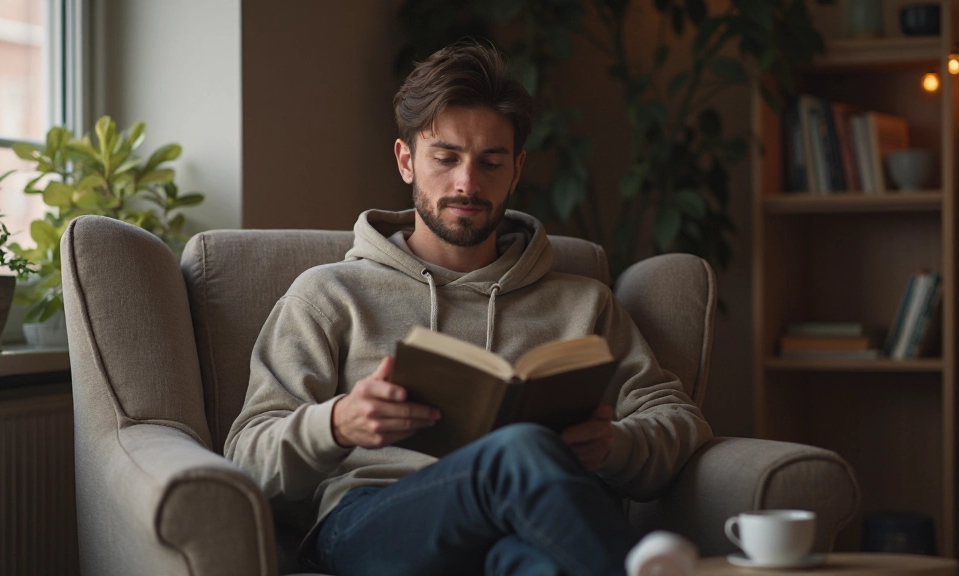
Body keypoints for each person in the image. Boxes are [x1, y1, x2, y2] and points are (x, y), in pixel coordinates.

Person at [224, 41, 712, 576]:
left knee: (533, 564)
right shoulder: (329, 294)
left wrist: (617, 445)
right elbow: (245, 456)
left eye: (490, 162)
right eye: (446, 158)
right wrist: (336, 423)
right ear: (407, 161)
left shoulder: (584, 303)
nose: (467, 183)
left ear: (517, 168)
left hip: (518, 530)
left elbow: (679, 419)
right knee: (520, 448)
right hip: (370, 525)